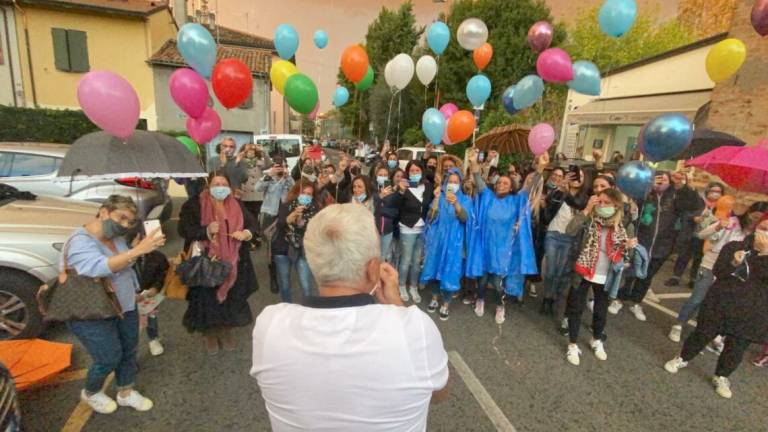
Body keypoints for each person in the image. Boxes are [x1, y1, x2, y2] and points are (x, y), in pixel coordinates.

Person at [251, 204, 449, 431]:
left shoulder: (270, 325)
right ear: (373, 269)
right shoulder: (415, 329)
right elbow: (438, 392)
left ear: (314, 262)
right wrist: (396, 304)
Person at [64, 195, 165, 414]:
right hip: (92, 311)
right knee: (108, 356)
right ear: (103, 212)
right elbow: (97, 267)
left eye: (129, 221)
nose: (124, 225)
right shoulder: (80, 241)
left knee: (129, 350)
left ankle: (126, 392)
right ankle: (91, 392)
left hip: (125, 306)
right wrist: (136, 251)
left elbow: (124, 267)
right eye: (121, 218)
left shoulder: (117, 239)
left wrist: (136, 254)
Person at [664, 215, 768, 399]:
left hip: (752, 311)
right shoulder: (734, 247)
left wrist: (764, 255)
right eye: (764, 228)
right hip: (721, 302)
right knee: (702, 333)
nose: (765, 234)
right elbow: (719, 272)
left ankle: (722, 375)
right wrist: (734, 263)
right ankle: (683, 357)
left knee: (737, 346)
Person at [178, 173, 259, 354]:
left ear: (229, 187)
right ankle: (209, 333)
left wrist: (246, 233)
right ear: (208, 186)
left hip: (233, 263)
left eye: (224, 183)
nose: (220, 187)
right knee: (207, 300)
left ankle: (226, 329)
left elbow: (253, 225)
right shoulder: (194, 205)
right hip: (206, 263)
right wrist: (205, 230)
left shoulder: (237, 204)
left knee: (231, 298)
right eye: (216, 184)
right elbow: (183, 229)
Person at [668, 201, 768, 344]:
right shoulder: (732, 222)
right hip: (711, 265)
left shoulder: (760, 237)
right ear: (748, 212)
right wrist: (718, 227)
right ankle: (679, 324)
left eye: (760, 219)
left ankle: (707, 335)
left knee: (717, 304)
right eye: (754, 216)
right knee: (697, 298)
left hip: (732, 272)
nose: (755, 221)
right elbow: (701, 234)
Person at [562, 189, 636, 365]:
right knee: (576, 308)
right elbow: (569, 230)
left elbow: (628, 255)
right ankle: (572, 344)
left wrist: (629, 247)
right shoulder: (589, 220)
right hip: (584, 271)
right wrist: (586, 210)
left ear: (616, 205)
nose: (602, 206)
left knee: (601, 311)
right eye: (599, 202)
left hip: (607, 275)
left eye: (606, 203)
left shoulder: (625, 224)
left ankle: (596, 340)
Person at [466, 148, 537, 325]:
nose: (501, 185)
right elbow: (477, 179)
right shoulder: (487, 196)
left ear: (512, 187)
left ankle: (500, 305)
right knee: (481, 281)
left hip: (502, 250)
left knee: (497, 284)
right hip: (484, 246)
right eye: (499, 182)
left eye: (506, 183)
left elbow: (529, 187)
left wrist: (541, 169)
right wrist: (474, 161)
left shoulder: (516, 200)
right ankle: (480, 300)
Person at [612, 171, 681, 321]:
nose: (661, 181)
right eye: (658, 178)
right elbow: (631, 205)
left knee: (647, 276)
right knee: (631, 272)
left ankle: (636, 302)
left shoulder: (675, 197)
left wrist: (682, 185)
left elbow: (691, 204)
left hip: (661, 246)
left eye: (665, 179)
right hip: (641, 241)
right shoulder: (645, 194)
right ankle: (619, 298)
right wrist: (647, 188)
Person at [420, 168, 474, 321]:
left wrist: (456, 204)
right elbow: (430, 217)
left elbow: (465, 218)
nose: (452, 184)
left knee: (451, 272)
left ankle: (446, 304)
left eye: (456, 182)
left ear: (460, 184)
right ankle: (435, 298)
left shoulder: (466, 200)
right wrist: (436, 199)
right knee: (434, 269)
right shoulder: (440, 197)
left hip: (455, 243)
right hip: (438, 241)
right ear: (445, 182)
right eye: (450, 181)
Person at [540, 166, 589, 321]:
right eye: (574, 175)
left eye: (580, 176)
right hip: (553, 234)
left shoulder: (584, 199)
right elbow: (549, 205)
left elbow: (578, 206)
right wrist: (561, 189)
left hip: (570, 238)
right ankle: (547, 298)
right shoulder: (559, 192)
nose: (576, 178)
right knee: (550, 270)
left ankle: (554, 297)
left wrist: (566, 191)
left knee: (561, 272)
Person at [665, 182, 723, 288]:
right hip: (692, 232)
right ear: (708, 191)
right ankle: (676, 277)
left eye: (718, 192)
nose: (715, 194)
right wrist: (694, 218)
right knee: (684, 255)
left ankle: (693, 278)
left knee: (699, 257)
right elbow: (687, 212)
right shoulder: (699, 201)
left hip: (707, 237)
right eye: (713, 191)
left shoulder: (721, 207)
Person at [273, 181, 321, 302]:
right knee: (285, 284)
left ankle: (308, 311)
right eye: (303, 193)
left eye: (309, 194)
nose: (306, 196)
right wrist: (294, 214)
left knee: (306, 286)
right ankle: (287, 308)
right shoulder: (287, 205)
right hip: (283, 249)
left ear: (313, 196)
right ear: (297, 193)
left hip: (303, 251)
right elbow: (280, 224)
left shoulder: (315, 209)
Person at [396, 160, 434, 303]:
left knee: (417, 260)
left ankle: (413, 286)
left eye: (417, 170)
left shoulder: (428, 186)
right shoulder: (403, 186)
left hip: (422, 228)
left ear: (422, 172)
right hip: (407, 227)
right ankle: (401, 285)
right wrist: (400, 191)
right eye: (412, 171)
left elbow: (429, 204)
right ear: (407, 172)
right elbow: (397, 205)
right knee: (405, 260)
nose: (415, 173)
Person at [240, 143, 272, 247]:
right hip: (245, 194)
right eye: (248, 152)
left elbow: (269, 163)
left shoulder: (259, 162)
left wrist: (263, 151)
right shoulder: (241, 162)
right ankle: (251, 238)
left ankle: (255, 236)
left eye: (252, 152)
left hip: (257, 194)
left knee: (256, 216)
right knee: (248, 216)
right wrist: (241, 154)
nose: (250, 154)